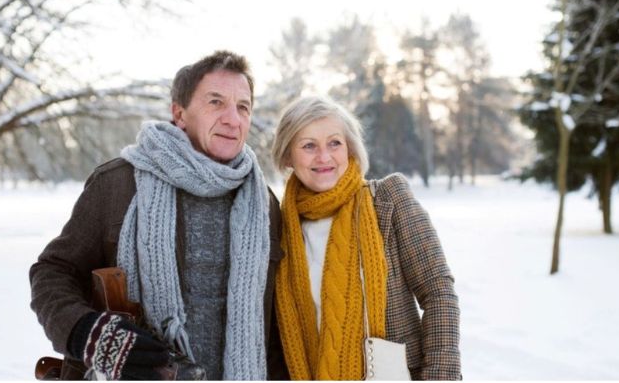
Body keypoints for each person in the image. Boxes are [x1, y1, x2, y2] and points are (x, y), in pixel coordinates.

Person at [29, 50, 288, 380]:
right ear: (179, 114)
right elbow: (52, 271)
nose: (232, 119)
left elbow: (277, 327)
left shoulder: (262, 203)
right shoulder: (118, 184)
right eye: (215, 102)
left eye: (243, 107)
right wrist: (88, 334)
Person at [271, 95, 461, 380]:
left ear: (350, 148)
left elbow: (438, 291)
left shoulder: (387, 200)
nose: (324, 157)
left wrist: (439, 377)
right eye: (309, 145)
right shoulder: (278, 225)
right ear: (288, 155)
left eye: (335, 143)